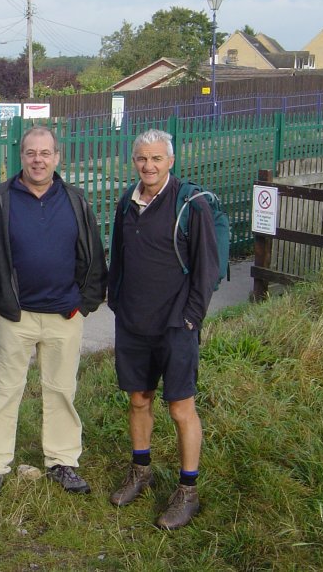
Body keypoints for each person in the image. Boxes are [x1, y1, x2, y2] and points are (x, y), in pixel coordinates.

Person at [0, 126, 107, 498]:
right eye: (31, 153)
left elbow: (94, 256)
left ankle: (62, 461)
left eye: (45, 153)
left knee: (61, 391)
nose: (38, 160)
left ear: (57, 157)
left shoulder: (75, 200)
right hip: (16, 316)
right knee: (2, 391)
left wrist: (84, 303)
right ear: (21, 157)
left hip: (65, 316)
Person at [106, 128, 218, 530]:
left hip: (176, 323)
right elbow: (118, 256)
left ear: (171, 161)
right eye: (141, 158)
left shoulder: (191, 204)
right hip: (134, 322)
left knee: (180, 407)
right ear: (133, 161)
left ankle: (188, 491)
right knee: (138, 400)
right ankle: (142, 470)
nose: (148, 166)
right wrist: (116, 303)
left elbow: (207, 269)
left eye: (156, 159)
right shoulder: (126, 203)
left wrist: (191, 317)